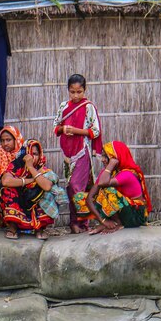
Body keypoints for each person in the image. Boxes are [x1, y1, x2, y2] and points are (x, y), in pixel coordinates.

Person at [53, 74, 103, 234]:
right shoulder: (63, 106)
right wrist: (63, 129)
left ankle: (83, 223)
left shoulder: (89, 107)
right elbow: (55, 127)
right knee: (70, 188)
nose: (76, 95)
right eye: (72, 92)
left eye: (79, 92)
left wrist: (75, 131)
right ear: (68, 91)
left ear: (85, 90)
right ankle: (74, 223)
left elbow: (95, 131)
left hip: (82, 151)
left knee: (77, 187)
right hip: (67, 154)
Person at [0, 139, 66, 240]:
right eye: (30, 154)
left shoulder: (43, 170)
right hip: (18, 203)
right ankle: (13, 229)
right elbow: (6, 181)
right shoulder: (16, 165)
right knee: (5, 189)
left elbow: (47, 186)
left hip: (32, 204)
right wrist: (31, 180)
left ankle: (40, 230)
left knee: (48, 191)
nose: (33, 157)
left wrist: (30, 167)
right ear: (24, 155)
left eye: (36, 154)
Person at [73, 141, 152, 234]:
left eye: (106, 156)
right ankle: (108, 223)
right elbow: (89, 198)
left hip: (135, 215)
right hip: (122, 211)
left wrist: (111, 165)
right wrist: (103, 221)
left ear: (116, 158)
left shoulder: (127, 174)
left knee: (107, 191)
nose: (102, 159)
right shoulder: (107, 173)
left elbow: (103, 184)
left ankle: (118, 224)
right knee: (80, 198)